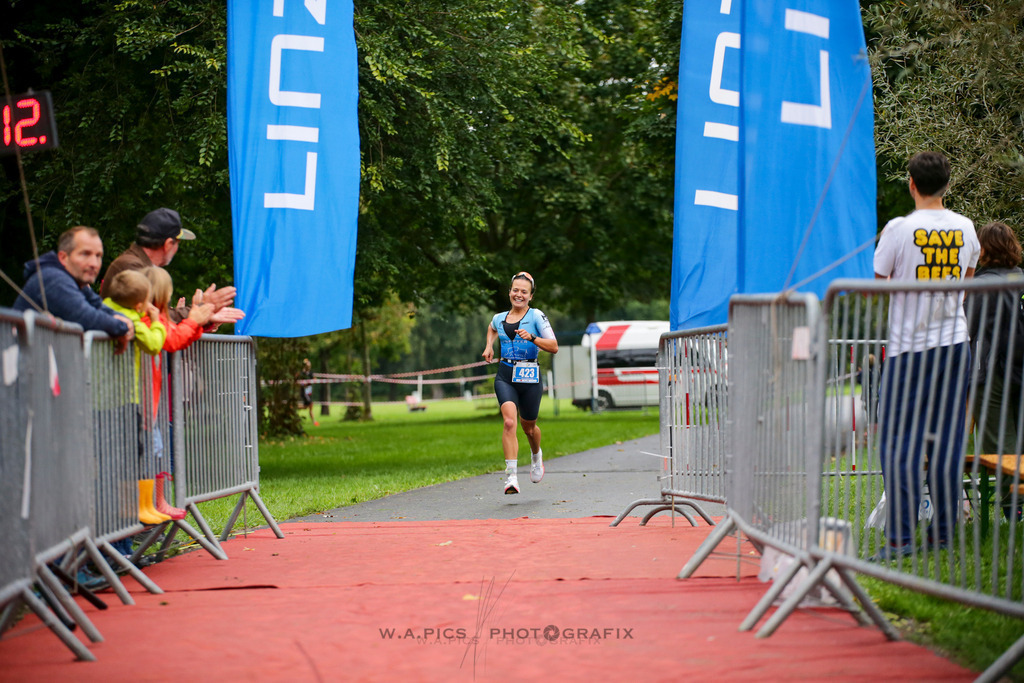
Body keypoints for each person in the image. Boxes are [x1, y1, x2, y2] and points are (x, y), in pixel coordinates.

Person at [873, 151, 980, 559]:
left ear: (912, 184)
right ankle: (942, 535)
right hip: (955, 345)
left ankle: (900, 540)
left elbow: (877, 280)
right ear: (947, 184)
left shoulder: (899, 229)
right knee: (947, 443)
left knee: (899, 445)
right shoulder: (966, 227)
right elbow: (967, 281)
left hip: (908, 350)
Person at [965, 222, 1024, 521]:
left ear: (985, 248)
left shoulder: (980, 284)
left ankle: (1011, 506)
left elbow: (969, 328)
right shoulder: (1020, 278)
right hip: (1019, 368)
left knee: (996, 439)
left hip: (990, 371)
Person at [481, 271, 558, 494]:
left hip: (530, 376)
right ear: (509, 292)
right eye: (515, 290)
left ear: (530, 296)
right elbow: (492, 327)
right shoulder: (499, 317)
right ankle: (511, 477)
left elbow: (554, 346)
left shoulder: (536, 316)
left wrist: (532, 338)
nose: (519, 294)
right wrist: (489, 346)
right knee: (508, 423)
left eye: (524, 291)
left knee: (529, 427)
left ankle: (536, 456)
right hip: (505, 375)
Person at [100, 207, 243, 327]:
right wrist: (202, 309)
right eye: (178, 243)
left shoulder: (136, 264)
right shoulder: (133, 267)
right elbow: (158, 319)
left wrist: (205, 317)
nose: (177, 249)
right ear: (169, 244)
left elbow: (162, 321)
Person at [12, 225, 133, 343]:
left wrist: (126, 322)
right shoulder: (53, 279)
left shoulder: (78, 282)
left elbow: (99, 307)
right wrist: (123, 327)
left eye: (98, 256)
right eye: (85, 254)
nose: (94, 263)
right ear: (63, 257)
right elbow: (86, 317)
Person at [298, 358, 318, 426]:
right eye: (308, 366)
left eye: (310, 366)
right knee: (310, 405)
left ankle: (293, 407)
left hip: (309, 392)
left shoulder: (311, 373)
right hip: (304, 392)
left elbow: (314, 379)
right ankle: (314, 421)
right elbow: (298, 382)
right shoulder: (302, 373)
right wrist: (304, 384)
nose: (309, 367)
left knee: (306, 407)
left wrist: (313, 380)